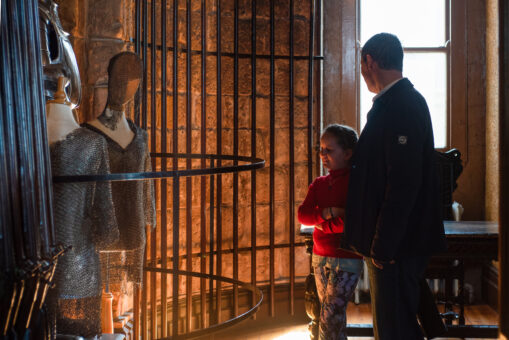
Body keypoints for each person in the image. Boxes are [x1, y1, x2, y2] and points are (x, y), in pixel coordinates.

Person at [342, 33, 447, 340]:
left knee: (394, 330)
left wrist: (383, 245)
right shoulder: (397, 102)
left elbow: (403, 183)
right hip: (393, 243)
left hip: (395, 246)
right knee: (394, 324)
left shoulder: (401, 104)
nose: (363, 75)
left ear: (370, 62)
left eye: (362, 66)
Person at [298, 124, 363, 340]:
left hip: (346, 259)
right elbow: (302, 215)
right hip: (320, 258)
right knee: (332, 317)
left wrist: (322, 224)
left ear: (347, 153)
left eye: (329, 150)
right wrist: (330, 212)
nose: (323, 155)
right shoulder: (319, 184)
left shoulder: (356, 184)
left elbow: (353, 221)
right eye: (321, 149)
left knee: (330, 316)